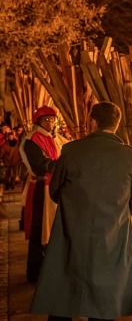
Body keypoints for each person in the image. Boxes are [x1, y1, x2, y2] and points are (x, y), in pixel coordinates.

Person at [29, 102, 132, 321]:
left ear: (92, 122)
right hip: (111, 238)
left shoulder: (71, 151)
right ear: (116, 124)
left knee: (62, 296)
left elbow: (55, 191)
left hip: (71, 235)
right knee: (104, 301)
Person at [19, 106, 61, 283]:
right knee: (39, 229)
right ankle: (35, 272)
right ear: (39, 121)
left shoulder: (54, 137)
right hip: (40, 188)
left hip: (51, 187)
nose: (50, 122)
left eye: (52, 119)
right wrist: (63, 165)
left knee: (50, 230)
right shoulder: (32, 140)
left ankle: (47, 269)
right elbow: (42, 164)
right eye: (46, 120)